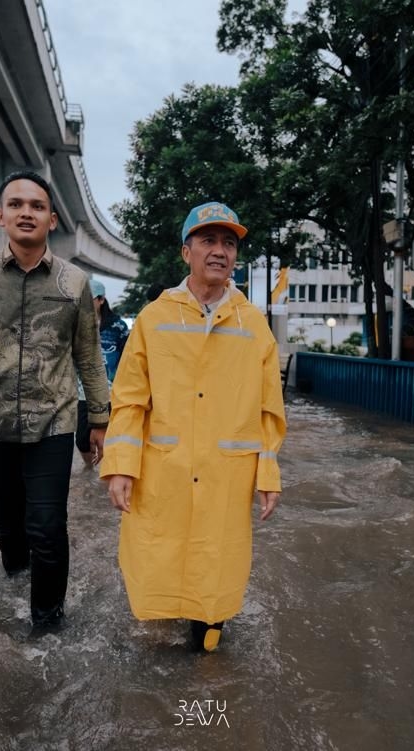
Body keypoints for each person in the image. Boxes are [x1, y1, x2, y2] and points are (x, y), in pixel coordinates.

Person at [101, 201, 287, 652]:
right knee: (159, 561)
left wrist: (267, 473)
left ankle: (206, 661)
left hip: (226, 473)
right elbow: (129, 400)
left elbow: (269, 410)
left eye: (229, 243)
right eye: (208, 240)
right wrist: (121, 465)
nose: (220, 251)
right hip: (164, 470)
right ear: (187, 252)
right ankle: (167, 649)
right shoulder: (154, 319)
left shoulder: (253, 325)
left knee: (216, 563)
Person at [0, 170, 109, 634]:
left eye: (37, 206)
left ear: (52, 219)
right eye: (16, 204)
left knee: (47, 526)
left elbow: (89, 357)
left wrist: (99, 419)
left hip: (52, 422)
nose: (26, 212)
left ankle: (47, 625)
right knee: (8, 527)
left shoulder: (75, 282)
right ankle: (16, 583)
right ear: (1, 216)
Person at [76, 279, 130, 466]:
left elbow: (128, 357)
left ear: (101, 300)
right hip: (83, 392)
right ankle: (89, 470)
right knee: (82, 440)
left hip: (112, 391)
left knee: (111, 436)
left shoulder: (118, 327)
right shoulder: (76, 324)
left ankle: (107, 472)